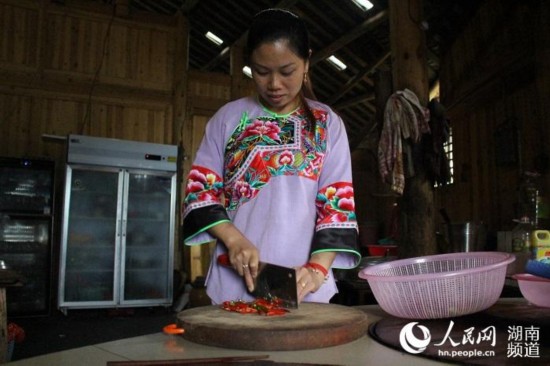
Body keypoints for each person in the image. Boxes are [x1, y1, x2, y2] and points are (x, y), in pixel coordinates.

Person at [182, 8, 360, 304]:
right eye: (261, 72)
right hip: (233, 287)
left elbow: (337, 207)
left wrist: (316, 270)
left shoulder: (327, 124)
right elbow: (201, 194)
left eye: (286, 71)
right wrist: (234, 240)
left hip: (306, 289)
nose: (274, 84)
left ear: (307, 62)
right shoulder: (227, 120)